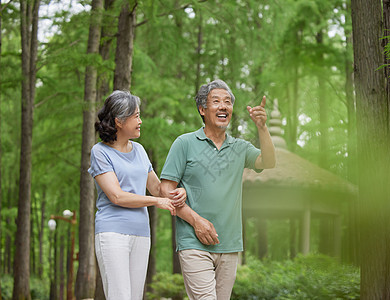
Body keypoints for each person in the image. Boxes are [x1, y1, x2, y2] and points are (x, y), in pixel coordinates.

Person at [160, 79, 276, 299]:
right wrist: (196, 221)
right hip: (193, 242)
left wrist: (262, 127)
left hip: (229, 244)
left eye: (228, 102)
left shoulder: (240, 147)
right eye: (216, 101)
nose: (224, 106)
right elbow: (165, 190)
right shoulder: (184, 144)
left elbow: (268, 162)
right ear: (202, 109)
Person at [88, 90, 186, 300]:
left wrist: (180, 190)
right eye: (136, 116)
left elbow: (158, 188)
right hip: (112, 233)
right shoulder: (100, 152)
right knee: (120, 296)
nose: (141, 121)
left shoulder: (140, 150)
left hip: (141, 234)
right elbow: (117, 196)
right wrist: (156, 201)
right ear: (120, 121)